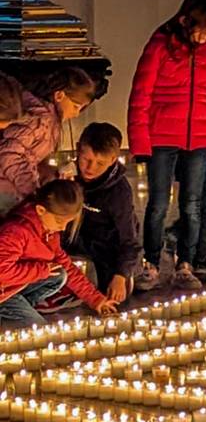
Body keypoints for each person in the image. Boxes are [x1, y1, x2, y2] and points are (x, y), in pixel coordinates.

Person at [127, 0, 206, 291]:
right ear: (188, 20)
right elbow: (141, 96)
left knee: (193, 205)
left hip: (200, 139)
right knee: (158, 203)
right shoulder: (160, 46)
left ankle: (185, 265)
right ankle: (150, 265)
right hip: (162, 136)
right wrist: (141, 143)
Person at [0, 179, 117, 326]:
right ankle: (10, 311)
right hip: (2, 291)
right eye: (59, 221)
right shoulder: (15, 231)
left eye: (67, 223)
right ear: (41, 210)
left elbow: (66, 265)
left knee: (60, 273)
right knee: (40, 328)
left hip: (13, 287)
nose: (62, 228)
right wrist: (41, 270)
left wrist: (97, 300)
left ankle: (18, 308)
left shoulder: (48, 231)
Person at [61, 122, 142, 303]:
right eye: (86, 159)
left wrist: (121, 275)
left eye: (100, 163)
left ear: (113, 159)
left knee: (109, 294)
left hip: (106, 249)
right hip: (72, 243)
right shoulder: (68, 176)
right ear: (77, 150)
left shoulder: (118, 192)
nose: (90, 168)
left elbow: (129, 239)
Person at [0, 67, 95, 215]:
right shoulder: (40, 121)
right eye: (76, 106)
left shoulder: (50, 122)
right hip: (6, 189)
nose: (76, 114)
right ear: (59, 95)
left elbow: (30, 157)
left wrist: (50, 177)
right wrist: (32, 190)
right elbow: (10, 154)